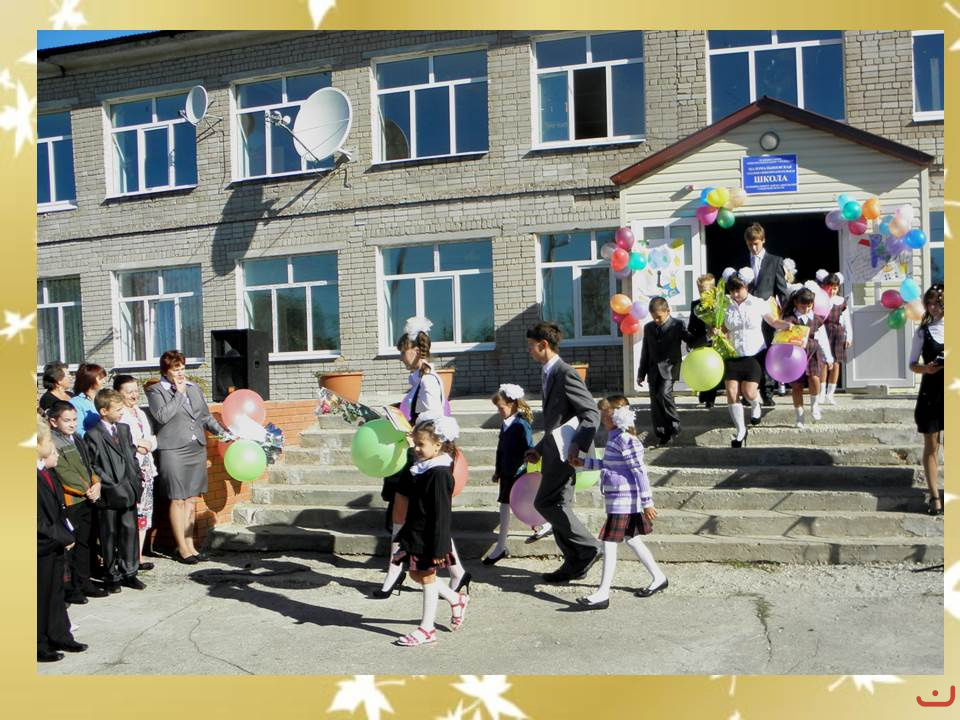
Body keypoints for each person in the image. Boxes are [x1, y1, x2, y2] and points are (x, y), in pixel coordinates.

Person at [374, 317, 467, 598]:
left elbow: (433, 423)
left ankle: (397, 571)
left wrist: (410, 432)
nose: (400, 357)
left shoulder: (428, 381)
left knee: (412, 513)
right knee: (404, 511)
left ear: (415, 349)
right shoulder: (419, 379)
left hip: (422, 458)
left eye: (402, 351)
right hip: (415, 454)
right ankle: (456, 572)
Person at [523, 322, 601, 583]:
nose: (529, 351)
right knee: (558, 505)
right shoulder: (548, 372)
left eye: (531, 346)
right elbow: (557, 423)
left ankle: (589, 546)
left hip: (566, 454)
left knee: (545, 503)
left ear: (543, 345)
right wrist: (538, 450)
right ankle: (574, 562)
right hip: (553, 451)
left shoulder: (565, 373)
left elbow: (590, 413)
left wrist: (578, 445)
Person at [571, 397, 666, 609]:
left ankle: (603, 593)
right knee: (632, 540)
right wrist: (584, 462)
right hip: (617, 498)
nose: (602, 418)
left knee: (609, 542)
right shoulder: (615, 438)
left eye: (605, 414)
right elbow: (610, 464)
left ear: (616, 415)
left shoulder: (626, 440)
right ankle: (659, 577)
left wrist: (647, 502)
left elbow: (639, 471)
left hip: (624, 499)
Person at [392, 417, 469, 646]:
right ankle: (456, 599)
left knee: (426, 577)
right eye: (415, 444)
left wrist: (440, 548)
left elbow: (442, 515)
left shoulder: (439, 474)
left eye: (421, 444)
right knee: (416, 575)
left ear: (437, 445)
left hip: (429, 537)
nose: (416, 449)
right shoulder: (422, 468)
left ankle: (427, 629)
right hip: (415, 532)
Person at [146, 350, 228, 564]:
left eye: (182, 368)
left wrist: (223, 433)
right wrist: (179, 394)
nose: (181, 373)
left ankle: (191, 545)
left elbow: (205, 417)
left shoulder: (194, 388)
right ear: (166, 371)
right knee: (178, 498)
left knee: (191, 499)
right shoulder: (156, 390)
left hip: (195, 448)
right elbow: (162, 416)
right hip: (173, 449)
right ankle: (181, 547)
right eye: (176, 370)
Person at [716, 268, 793, 447]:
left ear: (747, 287)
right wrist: (716, 331)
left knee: (749, 392)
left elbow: (773, 321)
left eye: (738, 290)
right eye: (732, 290)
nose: (735, 294)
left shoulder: (758, 303)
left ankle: (755, 404)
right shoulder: (725, 306)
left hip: (754, 354)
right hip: (733, 354)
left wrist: (786, 325)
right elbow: (724, 328)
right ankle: (740, 430)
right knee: (732, 392)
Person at [37, 417, 88, 662]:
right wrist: (61, 536)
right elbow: (36, 519)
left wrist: (65, 533)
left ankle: (59, 634)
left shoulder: (45, 471)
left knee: (55, 591)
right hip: (42, 543)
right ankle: (39, 642)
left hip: (54, 541)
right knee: (40, 594)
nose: (52, 445)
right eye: (48, 440)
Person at [85, 389, 145, 593]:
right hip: (110, 492)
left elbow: (131, 455)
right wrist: (111, 483)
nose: (121, 412)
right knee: (109, 534)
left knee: (129, 531)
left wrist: (136, 476)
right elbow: (93, 465)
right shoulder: (93, 435)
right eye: (117, 409)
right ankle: (111, 574)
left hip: (129, 488)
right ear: (104, 411)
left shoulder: (124, 429)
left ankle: (130, 571)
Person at [47, 401, 105, 604]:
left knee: (85, 543)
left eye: (74, 419)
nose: (72, 424)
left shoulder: (77, 438)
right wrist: (87, 489)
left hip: (88, 497)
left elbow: (88, 465)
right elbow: (63, 473)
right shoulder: (53, 443)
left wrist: (96, 483)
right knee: (70, 545)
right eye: (66, 420)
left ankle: (84, 581)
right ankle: (71, 588)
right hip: (72, 501)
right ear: (53, 421)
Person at [482, 383, 535, 565]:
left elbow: (529, 447)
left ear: (512, 404)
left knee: (519, 503)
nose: (499, 411)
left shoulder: (521, 424)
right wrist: (497, 470)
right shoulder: (506, 424)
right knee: (506, 505)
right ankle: (500, 546)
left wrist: (526, 463)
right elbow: (501, 450)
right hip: (506, 472)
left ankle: (501, 546)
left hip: (517, 472)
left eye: (501, 408)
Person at [742, 223, 789, 406]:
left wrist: (785, 315)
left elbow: (782, 290)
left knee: (768, 350)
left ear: (763, 241)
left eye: (756, 244)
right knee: (748, 350)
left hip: (767, 312)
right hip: (747, 313)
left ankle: (767, 391)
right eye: (750, 245)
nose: (753, 248)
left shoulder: (775, 261)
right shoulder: (742, 260)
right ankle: (748, 392)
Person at [114, 375, 158, 567]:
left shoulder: (140, 412)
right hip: (131, 470)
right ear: (119, 393)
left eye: (135, 391)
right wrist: (137, 445)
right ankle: (127, 556)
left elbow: (151, 437)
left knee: (145, 513)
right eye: (129, 392)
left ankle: (138, 555)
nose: (134, 395)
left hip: (147, 468)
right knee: (132, 513)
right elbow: (120, 440)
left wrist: (149, 444)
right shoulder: (119, 414)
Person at [637, 296, 691, 446]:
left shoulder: (677, 324)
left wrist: (707, 336)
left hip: (670, 367)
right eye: (653, 317)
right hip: (653, 369)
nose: (656, 320)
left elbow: (690, 339)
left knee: (664, 394)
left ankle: (675, 425)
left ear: (668, 311)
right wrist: (641, 373)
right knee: (655, 402)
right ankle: (662, 434)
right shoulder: (648, 327)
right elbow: (645, 351)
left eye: (659, 317)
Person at [909, 284, 944, 516]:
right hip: (931, 392)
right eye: (929, 303)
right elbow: (912, 364)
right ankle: (935, 496)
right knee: (932, 445)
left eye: (937, 303)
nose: (933, 308)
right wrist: (926, 368)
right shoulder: (923, 331)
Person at [780, 286, 835, 428]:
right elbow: (779, 338)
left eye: (809, 306)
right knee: (797, 386)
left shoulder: (816, 320)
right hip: (793, 356)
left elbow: (823, 339)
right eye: (803, 306)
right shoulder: (789, 319)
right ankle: (799, 416)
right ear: (796, 303)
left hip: (813, 353)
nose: (806, 309)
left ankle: (815, 405)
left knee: (815, 379)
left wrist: (829, 357)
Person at [687, 273, 723, 408]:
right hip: (703, 341)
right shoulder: (695, 305)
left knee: (713, 369)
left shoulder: (720, 304)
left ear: (713, 290)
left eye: (705, 291)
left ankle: (710, 398)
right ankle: (704, 392)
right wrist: (691, 339)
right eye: (700, 290)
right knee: (703, 369)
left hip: (718, 342)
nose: (702, 294)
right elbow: (691, 326)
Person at [817, 270, 853, 405]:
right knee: (823, 363)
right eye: (830, 287)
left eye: (835, 288)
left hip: (837, 333)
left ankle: (830, 394)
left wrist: (849, 336)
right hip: (823, 332)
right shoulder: (820, 299)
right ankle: (821, 393)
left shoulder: (841, 301)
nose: (832, 291)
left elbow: (846, 320)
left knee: (836, 363)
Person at [70, 363, 108, 437]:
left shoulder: (103, 398)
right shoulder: (76, 403)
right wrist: (98, 439)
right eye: (100, 379)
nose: (104, 381)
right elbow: (78, 430)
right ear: (90, 379)